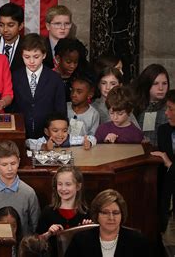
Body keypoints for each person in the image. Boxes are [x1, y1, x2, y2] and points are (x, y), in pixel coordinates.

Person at [9, 33, 66, 139]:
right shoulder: (14, 77)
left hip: (47, 136)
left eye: (36, 57)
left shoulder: (55, 79)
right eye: (27, 57)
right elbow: (10, 108)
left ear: (44, 55)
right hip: (20, 134)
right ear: (21, 55)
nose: (31, 61)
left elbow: (60, 111)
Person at [65, 189, 151, 257]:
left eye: (116, 213)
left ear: (122, 215)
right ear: (97, 214)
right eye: (105, 212)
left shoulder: (137, 241)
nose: (111, 218)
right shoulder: (80, 240)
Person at [37, 166, 92, 256]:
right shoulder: (48, 212)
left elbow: (92, 247)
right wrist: (48, 233)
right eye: (60, 184)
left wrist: (87, 230)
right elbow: (36, 242)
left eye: (68, 184)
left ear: (78, 186)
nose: (63, 188)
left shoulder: (86, 213)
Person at [151, 89, 175, 233]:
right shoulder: (163, 131)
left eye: (171, 109)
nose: (166, 113)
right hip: (166, 196)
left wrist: (170, 164)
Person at [132, 64, 169, 145]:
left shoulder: (170, 108)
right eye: (155, 83)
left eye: (164, 83)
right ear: (147, 84)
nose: (161, 88)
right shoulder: (136, 105)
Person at [26, 112, 96, 151]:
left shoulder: (72, 139)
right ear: (46, 131)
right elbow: (27, 143)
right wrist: (44, 147)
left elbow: (92, 138)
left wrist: (89, 143)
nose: (60, 134)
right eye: (55, 131)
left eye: (64, 131)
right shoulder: (44, 141)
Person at [0, 2, 25, 72]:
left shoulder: (28, 47)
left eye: (10, 25)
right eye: (1, 25)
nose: (5, 30)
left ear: (21, 26)